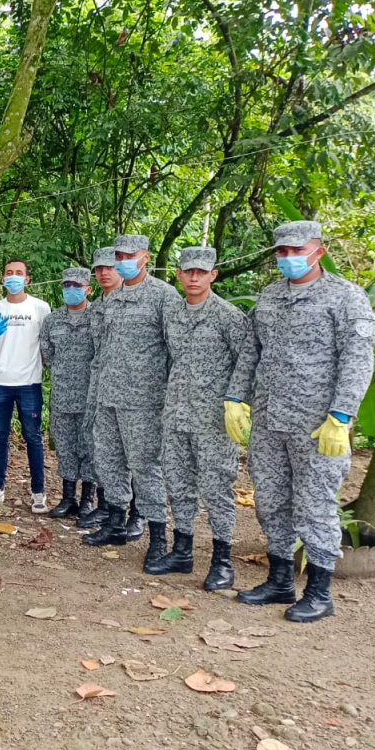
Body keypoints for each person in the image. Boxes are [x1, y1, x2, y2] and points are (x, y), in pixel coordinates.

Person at [227, 221, 375, 622]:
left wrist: (341, 415)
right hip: (270, 420)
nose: (288, 257)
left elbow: (358, 359)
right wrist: (235, 398)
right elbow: (250, 351)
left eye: (297, 250)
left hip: (317, 424)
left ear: (318, 251)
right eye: (281, 251)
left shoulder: (345, 297)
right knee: (271, 501)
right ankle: (279, 581)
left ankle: (319, 593)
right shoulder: (271, 296)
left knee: (314, 506)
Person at [146, 247, 254, 591]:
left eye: (201, 272)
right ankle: (182, 550)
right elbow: (170, 358)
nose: (194, 278)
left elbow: (246, 362)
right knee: (177, 484)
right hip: (176, 413)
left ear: (213, 275)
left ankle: (222, 561)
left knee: (216, 489)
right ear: (178, 274)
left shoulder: (228, 316)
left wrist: (238, 402)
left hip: (213, 420)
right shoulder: (173, 313)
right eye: (188, 271)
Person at [85, 233, 180, 573]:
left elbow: (176, 352)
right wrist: (95, 395)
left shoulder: (164, 296)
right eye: (119, 255)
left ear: (145, 257)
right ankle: (115, 522)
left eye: (129, 255)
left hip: (144, 401)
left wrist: (170, 399)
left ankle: (158, 539)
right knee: (109, 462)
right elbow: (101, 353)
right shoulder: (111, 299)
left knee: (145, 468)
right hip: (108, 396)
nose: (123, 260)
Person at [0, 259, 51, 510]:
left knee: (32, 436)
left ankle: (38, 492)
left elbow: (46, 347)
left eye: (19, 273)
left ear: (27, 279)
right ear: (3, 279)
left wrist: (35, 366)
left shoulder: (41, 308)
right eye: (9, 273)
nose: (13, 277)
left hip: (29, 382)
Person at [38, 266, 97, 521]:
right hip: (62, 396)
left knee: (90, 448)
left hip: (90, 396)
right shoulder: (52, 320)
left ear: (88, 289)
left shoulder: (98, 317)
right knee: (65, 447)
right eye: (66, 286)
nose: (71, 290)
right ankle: (68, 498)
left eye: (77, 286)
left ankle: (88, 500)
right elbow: (47, 354)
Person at [77, 246, 122, 529]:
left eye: (110, 267)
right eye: (99, 269)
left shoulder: (130, 301)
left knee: (128, 452)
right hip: (99, 385)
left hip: (129, 390)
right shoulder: (96, 309)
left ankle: (134, 514)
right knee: (101, 447)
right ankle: (105, 507)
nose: (104, 272)